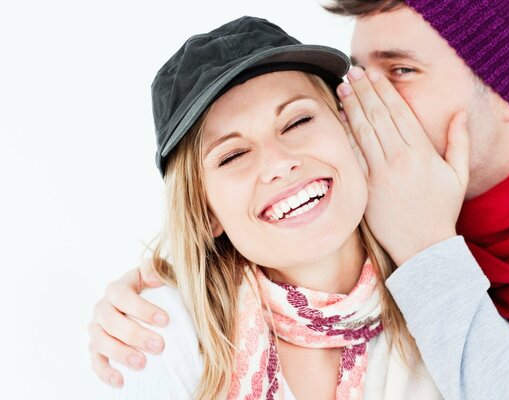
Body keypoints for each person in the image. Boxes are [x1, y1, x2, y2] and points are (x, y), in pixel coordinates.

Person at [90, 1, 509, 398]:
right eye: (356, 75)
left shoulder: (421, 242)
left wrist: (428, 252)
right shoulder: (394, 212)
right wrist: (152, 300)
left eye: (400, 71)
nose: (358, 102)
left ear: (508, 88)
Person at [102, 15, 469, 399]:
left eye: (298, 121)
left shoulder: (444, 294)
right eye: (233, 155)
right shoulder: (159, 335)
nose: (279, 163)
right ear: (205, 211)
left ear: (350, 133)